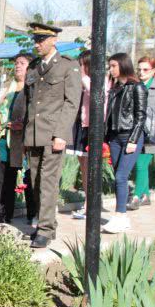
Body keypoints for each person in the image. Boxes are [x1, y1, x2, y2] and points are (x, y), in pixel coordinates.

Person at [23, 22, 81, 248]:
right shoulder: (34, 67)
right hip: (34, 133)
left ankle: (45, 229)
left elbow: (71, 103)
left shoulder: (68, 66)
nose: (37, 44)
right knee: (36, 182)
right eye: (35, 40)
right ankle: (45, 225)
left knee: (48, 182)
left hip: (53, 133)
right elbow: (29, 102)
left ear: (54, 40)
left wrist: (61, 133)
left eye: (41, 40)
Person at [102, 53, 147, 233]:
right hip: (115, 137)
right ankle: (122, 216)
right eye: (110, 66)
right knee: (118, 176)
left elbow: (141, 116)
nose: (111, 69)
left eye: (114, 65)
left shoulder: (136, 87)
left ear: (123, 65)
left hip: (129, 136)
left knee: (121, 176)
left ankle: (120, 215)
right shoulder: (115, 87)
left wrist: (133, 140)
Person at [0, 53, 35, 224]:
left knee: (28, 177)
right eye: (16, 63)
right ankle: (2, 213)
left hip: (24, 141)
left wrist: (24, 126)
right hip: (5, 139)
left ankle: (33, 213)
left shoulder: (33, 88)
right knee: (3, 179)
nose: (17, 66)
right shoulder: (6, 88)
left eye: (22, 63)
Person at [129, 56, 155, 209]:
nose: (141, 72)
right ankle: (145, 195)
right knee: (141, 165)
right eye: (139, 69)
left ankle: (136, 197)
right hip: (136, 132)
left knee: (140, 164)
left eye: (145, 69)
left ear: (153, 71)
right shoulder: (135, 86)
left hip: (150, 134)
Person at [68, 50, 92, 220]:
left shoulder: (94, 81)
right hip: (79, 125)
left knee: (90, 167)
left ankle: (91, 204)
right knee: (83, 165)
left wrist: (84, 79)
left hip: (90, 127)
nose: (79, 67)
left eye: (82, 64)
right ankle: (87, 202)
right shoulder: (78, 80)